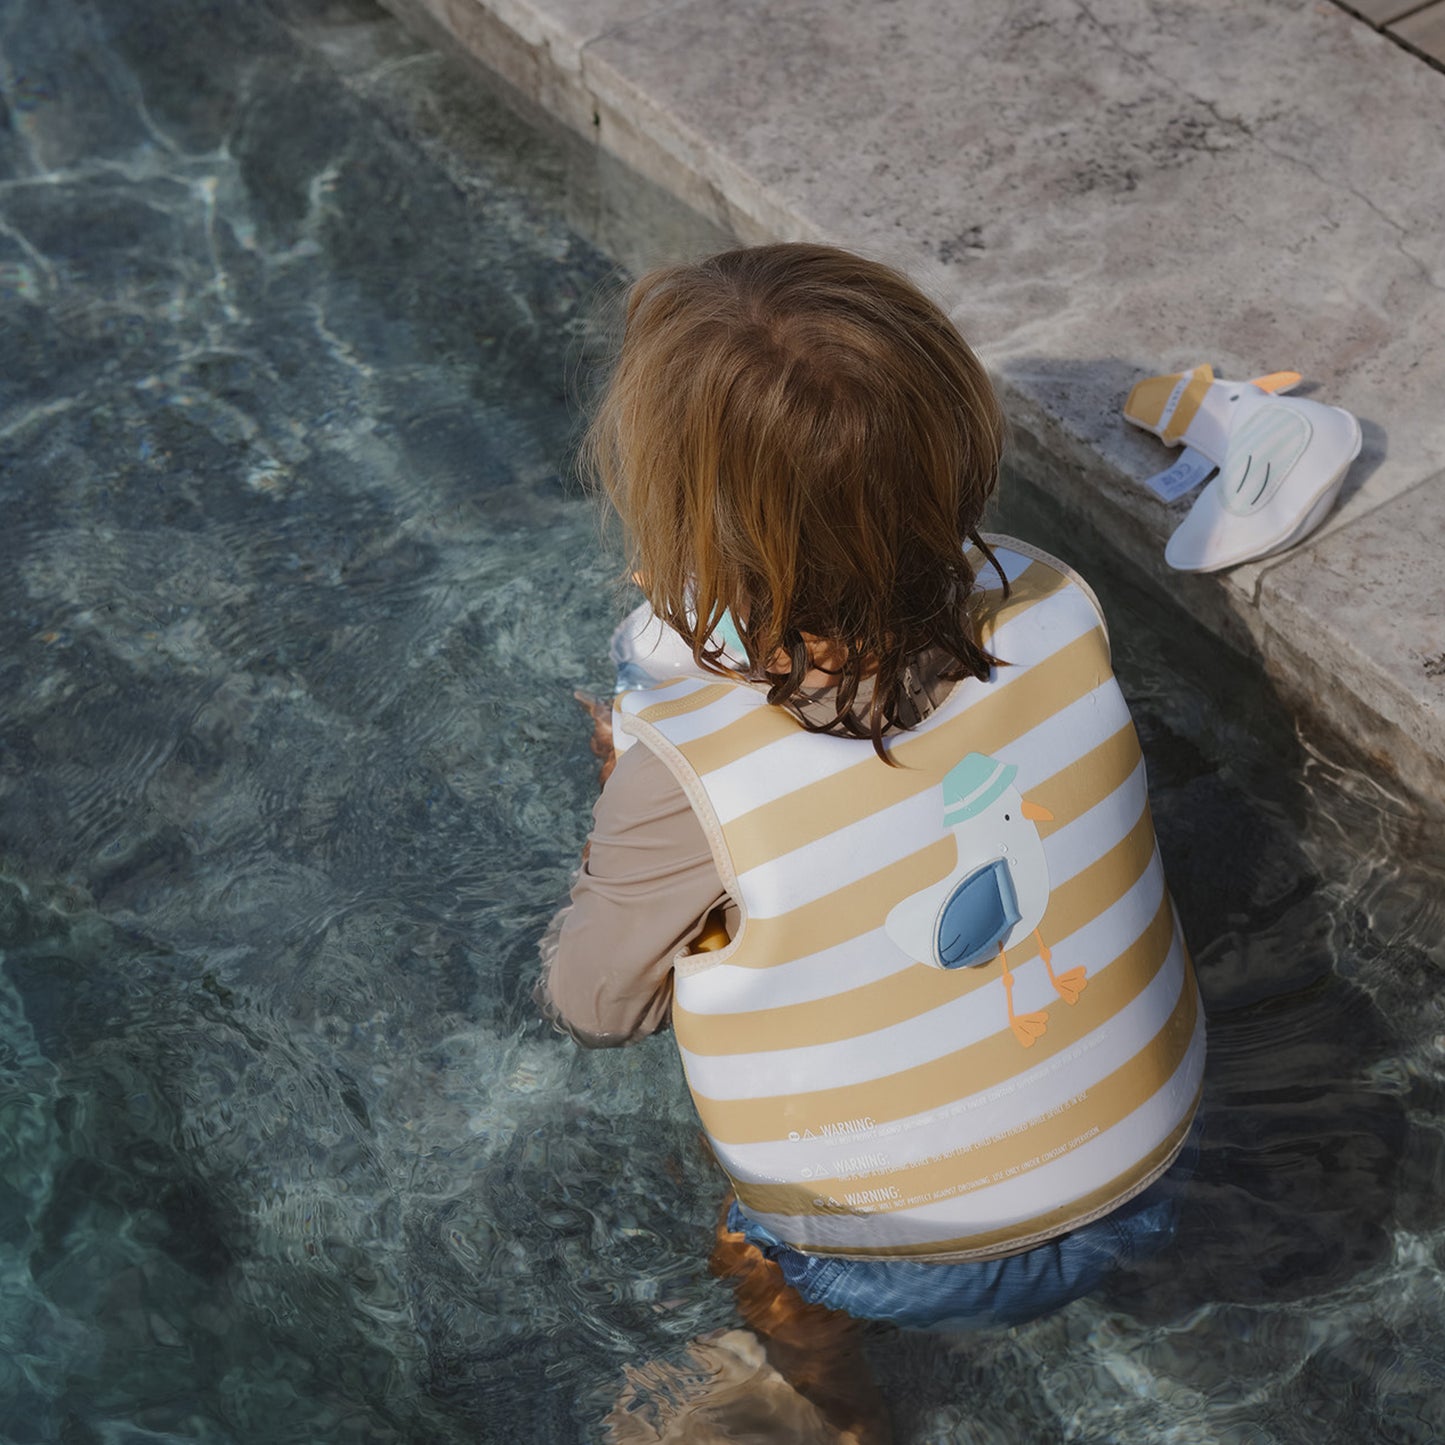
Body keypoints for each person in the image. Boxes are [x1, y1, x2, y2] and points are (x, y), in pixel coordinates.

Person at [540, 243, 1204, 1440]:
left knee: (751, 1247)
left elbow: (595, 1003)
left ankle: (837, 1404)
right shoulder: (1055, 601)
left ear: (676, 539)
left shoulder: (683, 769)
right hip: (1150, 1177)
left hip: (897, 1263)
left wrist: (639, 813)